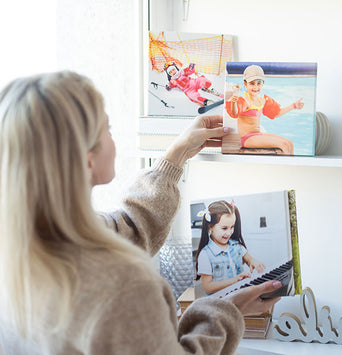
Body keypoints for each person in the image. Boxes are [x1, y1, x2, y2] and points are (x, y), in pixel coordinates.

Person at [0, 71, 282, 355]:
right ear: (87, 162)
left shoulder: (21, 254)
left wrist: (176, 154)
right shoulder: (123, 286)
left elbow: (129, 229)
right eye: (107, 128)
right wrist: (227, 309)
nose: (114, 138)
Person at [225, 64, 304, 155]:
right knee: (284, 144)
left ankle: (291, 165)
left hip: (257, 135)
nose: (256, 87)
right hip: (248, 139)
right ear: (245, 84)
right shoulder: (245, 101)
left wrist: (294, 106)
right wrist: (234, 102)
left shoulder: (262, 100)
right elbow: (235, 113)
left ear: (263, 83)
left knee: (290, 143)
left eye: (259, 83)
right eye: (252, 83)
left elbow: (276, 113)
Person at [195, 200, 266, 295]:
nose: (229, 233)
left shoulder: (237, 246)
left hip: (240, 297)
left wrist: (253, 262)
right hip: (219, 304)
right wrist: (235, 280)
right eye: (224, 228)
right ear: (210, 227)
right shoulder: (205, 254)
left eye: (232, 227)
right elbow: (208, 287)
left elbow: (249, 259)